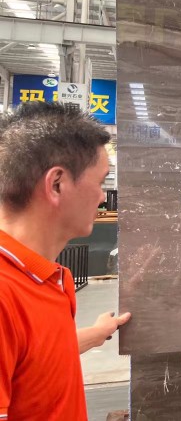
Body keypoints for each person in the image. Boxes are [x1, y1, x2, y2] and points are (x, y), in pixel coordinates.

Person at [0, 102, 131, 420]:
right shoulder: (5, 294)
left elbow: (36, 356)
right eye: (100, 182)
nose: (103, 197)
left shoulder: (50, 277)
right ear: (56, 184)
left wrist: (98, 333)